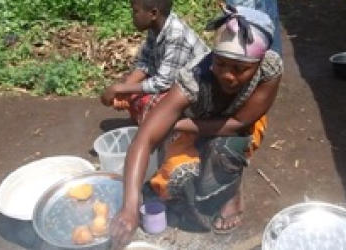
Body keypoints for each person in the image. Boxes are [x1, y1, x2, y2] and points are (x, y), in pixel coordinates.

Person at [109, 4, 284, 250]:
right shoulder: (193, 80)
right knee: (173, 183)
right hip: (200, 123)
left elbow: (239, 123)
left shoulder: (270, 68)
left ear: (257, 63)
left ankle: (232, 193)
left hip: (235, 127)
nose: (228, 76)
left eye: (240, 69)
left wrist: (178, 124)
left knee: (226, 148)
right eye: (221, 64)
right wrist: (129, 208)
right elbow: (145, 138)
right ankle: (205, 176)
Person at [100, 0, 209, 125]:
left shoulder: (176, 36)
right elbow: (145, 62)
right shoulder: (156, 27)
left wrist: (120, 88)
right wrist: (124, 91)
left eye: (135, 11)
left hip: (197, 91)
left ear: (153, 14)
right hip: (175, 81)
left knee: (152, 110)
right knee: (132, 90)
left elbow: (163, 83)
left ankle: (181, 126)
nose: (132, 16)